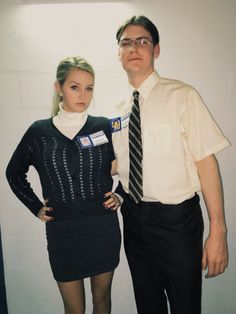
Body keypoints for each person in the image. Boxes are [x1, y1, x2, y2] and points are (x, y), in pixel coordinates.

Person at [112, 15, 230, 314]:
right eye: (126, 43)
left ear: (157, 50)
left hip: (177, 221)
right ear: (119, 53)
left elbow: (206, 160)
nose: (134, 47)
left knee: (185, 305)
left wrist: (218, 230)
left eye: (142, 41)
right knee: (148, 305)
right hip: (134, 218)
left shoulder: (182, 95)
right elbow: (122, 162)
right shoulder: (118, 110)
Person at [6, 56, 121, 314]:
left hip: (102, 227)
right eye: (74, 87)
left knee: (102, 301)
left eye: (89, 88)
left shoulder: (104, 126)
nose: (83, 94)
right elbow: (14, 173)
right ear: (59, 88)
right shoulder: (39, 132)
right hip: (63, 232)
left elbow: (130, 164)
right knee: (74, 309)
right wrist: (35, 207)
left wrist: (121, 195)